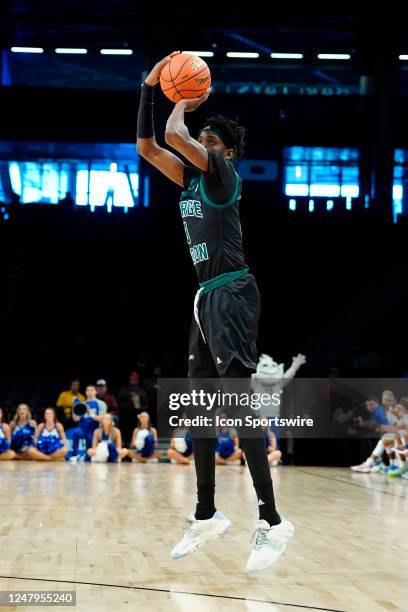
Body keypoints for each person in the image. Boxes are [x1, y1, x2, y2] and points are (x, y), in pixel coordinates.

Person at [136, 51, 294, 573]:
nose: (201, 146)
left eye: (211, 143)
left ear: (225, 153)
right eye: (203, 142)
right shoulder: (189, 184)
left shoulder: (224, 178)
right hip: (206, 298)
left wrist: (181, 100)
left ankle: (272, 520)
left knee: (238, 402)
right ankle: (206, 511)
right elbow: (148, 146)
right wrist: (146, 89)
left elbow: (177, 137)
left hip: (232, 292)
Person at [66, 385, 107, 462]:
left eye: (91, 390)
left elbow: (102, 419)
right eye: (87, 390)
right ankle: (75, 454)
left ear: (96, 392)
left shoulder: (101, 404)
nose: (89, 392)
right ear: (85, 392)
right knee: (76, 432)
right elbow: (76, 419)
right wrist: (74, 407)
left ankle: (89, 457)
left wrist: (90, 413)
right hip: (83, 428)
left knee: (90, 452)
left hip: (94, 429)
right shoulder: (82, 404)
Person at [118, 372, 149, 445]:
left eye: (135, 380)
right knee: (124, 431)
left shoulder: (141, 391)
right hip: (125, 416)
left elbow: (146, 405)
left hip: (136, 416)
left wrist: (140, 409)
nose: (133, 381)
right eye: (132, 380)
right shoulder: (125, 389)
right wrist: (130, 395)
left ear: (137, 381)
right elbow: (119, 398)